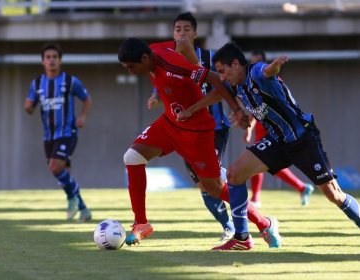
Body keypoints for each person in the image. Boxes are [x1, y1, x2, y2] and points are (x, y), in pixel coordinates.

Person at [178, 42, 360, 249]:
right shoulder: (233, 84)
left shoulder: (255, 71)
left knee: (333, 195)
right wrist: (202, 110)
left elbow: (267, 71)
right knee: (234, 175)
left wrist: (274, 65)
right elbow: (218, 94)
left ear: (236, 64)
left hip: (302, 139)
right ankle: (242, 238)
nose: (221, 77)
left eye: (222, 71)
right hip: (275, 140)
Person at [118, 37, 281, 251]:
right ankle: (141, 222)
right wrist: (194, 60)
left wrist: (236, 110)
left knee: (213, 188)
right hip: (170, 123)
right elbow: (183, 42)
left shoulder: (174, 67)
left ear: (145, 58)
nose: (131, 71)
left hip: (196, 131)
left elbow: (215, 79)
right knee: (132, 157)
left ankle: (264, 223)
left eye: (132, 66)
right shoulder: (156, 49)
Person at [147, 12, 235, 242]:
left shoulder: (211, 57)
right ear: (172, 33)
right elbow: (164, 81)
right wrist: (155, 95)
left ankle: (243, 216)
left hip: (214, 127)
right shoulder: (166, 59)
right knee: (203, 185)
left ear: (195, 33)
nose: (182, 33)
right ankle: (229, 226)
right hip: (184, 130)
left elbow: (225, 84)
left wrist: (238, 109)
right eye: (178, 29)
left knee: (212, 179)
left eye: (187, 29)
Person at [24, 43, 92, 223]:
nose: (51, 60)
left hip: (67, 132)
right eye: (48, 57)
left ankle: (74, 201)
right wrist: (29, 108)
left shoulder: (70, 81)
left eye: (55, 57)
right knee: (61, 173)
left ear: (60, 60)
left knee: (55, 166)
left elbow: (86, 99)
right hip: (49, 136)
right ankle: (83, 208)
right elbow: (30, 104)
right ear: (42, 61)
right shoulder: (37, 83)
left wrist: (83, 116)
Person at [244, 50, 314, 208]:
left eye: (257, 62)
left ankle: (256, 198)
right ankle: (300, 187)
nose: (254, 66)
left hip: (275, 128)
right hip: (262, 127)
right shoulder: (249, 82)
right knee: (263, 162)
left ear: (263, 64)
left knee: (262, 161)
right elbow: (255, 107)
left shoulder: (272, 79)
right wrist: (249, 128)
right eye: (252, 62)